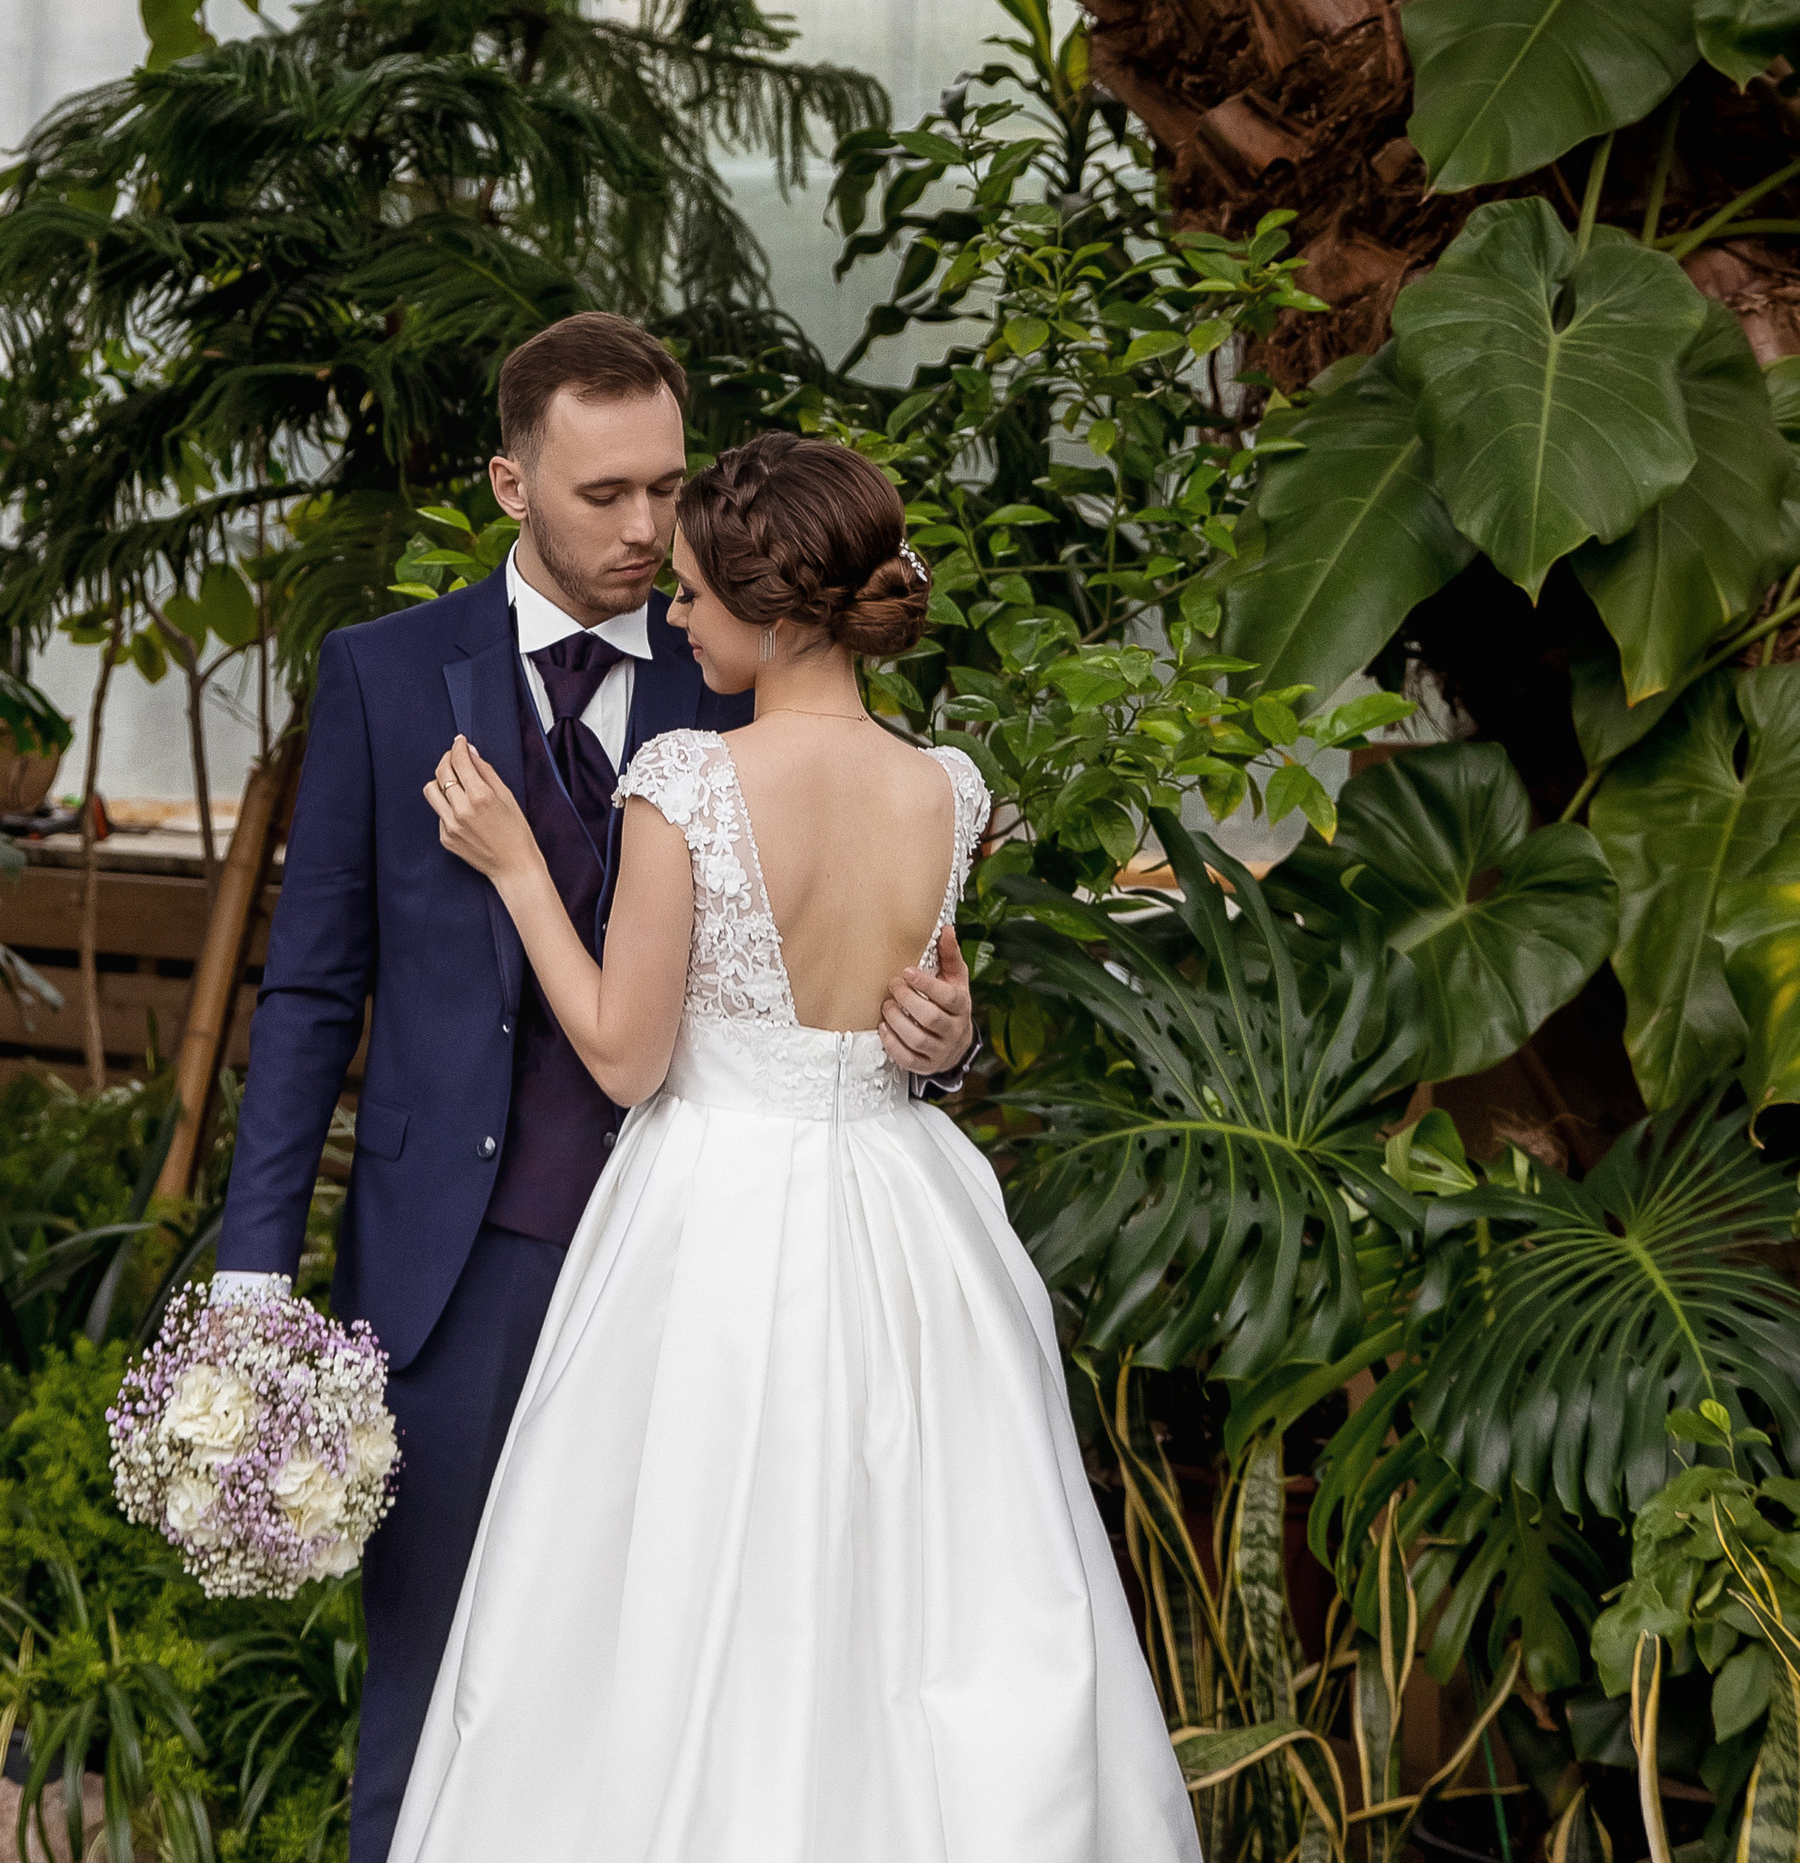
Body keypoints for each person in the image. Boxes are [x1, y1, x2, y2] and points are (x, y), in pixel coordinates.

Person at [211, 319, 976, 1863]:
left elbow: (863, 950)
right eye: (605, 493)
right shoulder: (381, 676)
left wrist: (949, 1043)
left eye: (668, 492)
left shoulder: (744, 672)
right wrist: (251, 1271)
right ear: (511, 483)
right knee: (440, 1715)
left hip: (722, 1287)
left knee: (704, 1708)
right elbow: (309, 989)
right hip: (454, 1274)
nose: (647, 533)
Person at [392, 427, 1201, 1863]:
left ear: (771, 613)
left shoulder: (689, 780)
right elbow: (918, 1018)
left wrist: (520, 871)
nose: (676, 615)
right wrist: (946, 1048)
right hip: (906, 1222)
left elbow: (630, 1057)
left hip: (715, 1222)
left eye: (693, 592)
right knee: (911, 1593)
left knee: (684, 1590)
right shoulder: (947, 787)